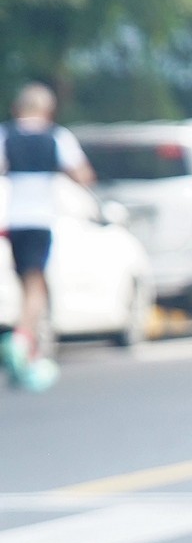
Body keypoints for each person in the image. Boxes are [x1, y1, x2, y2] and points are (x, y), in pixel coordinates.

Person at [1, 83, 94, 393]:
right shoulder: (57, 137)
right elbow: (82, 174)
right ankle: (21, 340)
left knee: (26, 284)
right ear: (48, 110)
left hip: (15, 220)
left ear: (18, 108)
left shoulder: (6, 135)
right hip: (41, 220)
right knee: (36, 286)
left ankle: (27, 354)